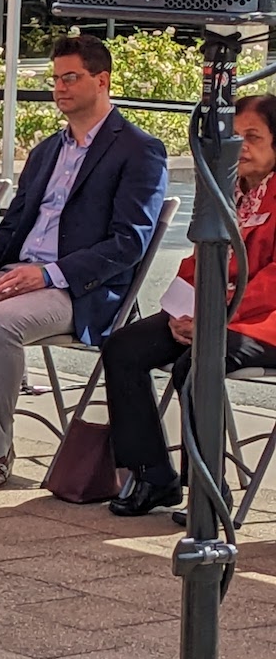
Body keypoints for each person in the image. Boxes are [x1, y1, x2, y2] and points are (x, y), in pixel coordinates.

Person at [0, 31, 168, 489]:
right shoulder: (46, 152)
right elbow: (11, 229)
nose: (59, 87)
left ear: (102, 81)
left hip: (79, 290)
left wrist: (47, 274)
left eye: (70, 78)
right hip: (15, 277)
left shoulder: (139, 150)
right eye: (55, 78)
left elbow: (128, 244)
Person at [105, 93, 276, 517]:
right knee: (123, 348)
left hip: (262, 320)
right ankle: (151, 475)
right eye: (235, 137)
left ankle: (209, 490)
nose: (242, 147)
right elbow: (199, 257)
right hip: (213, 310)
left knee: (196, 364)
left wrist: (215, 317)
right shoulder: (226, 188)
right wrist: (183, 309)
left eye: (253, 137)